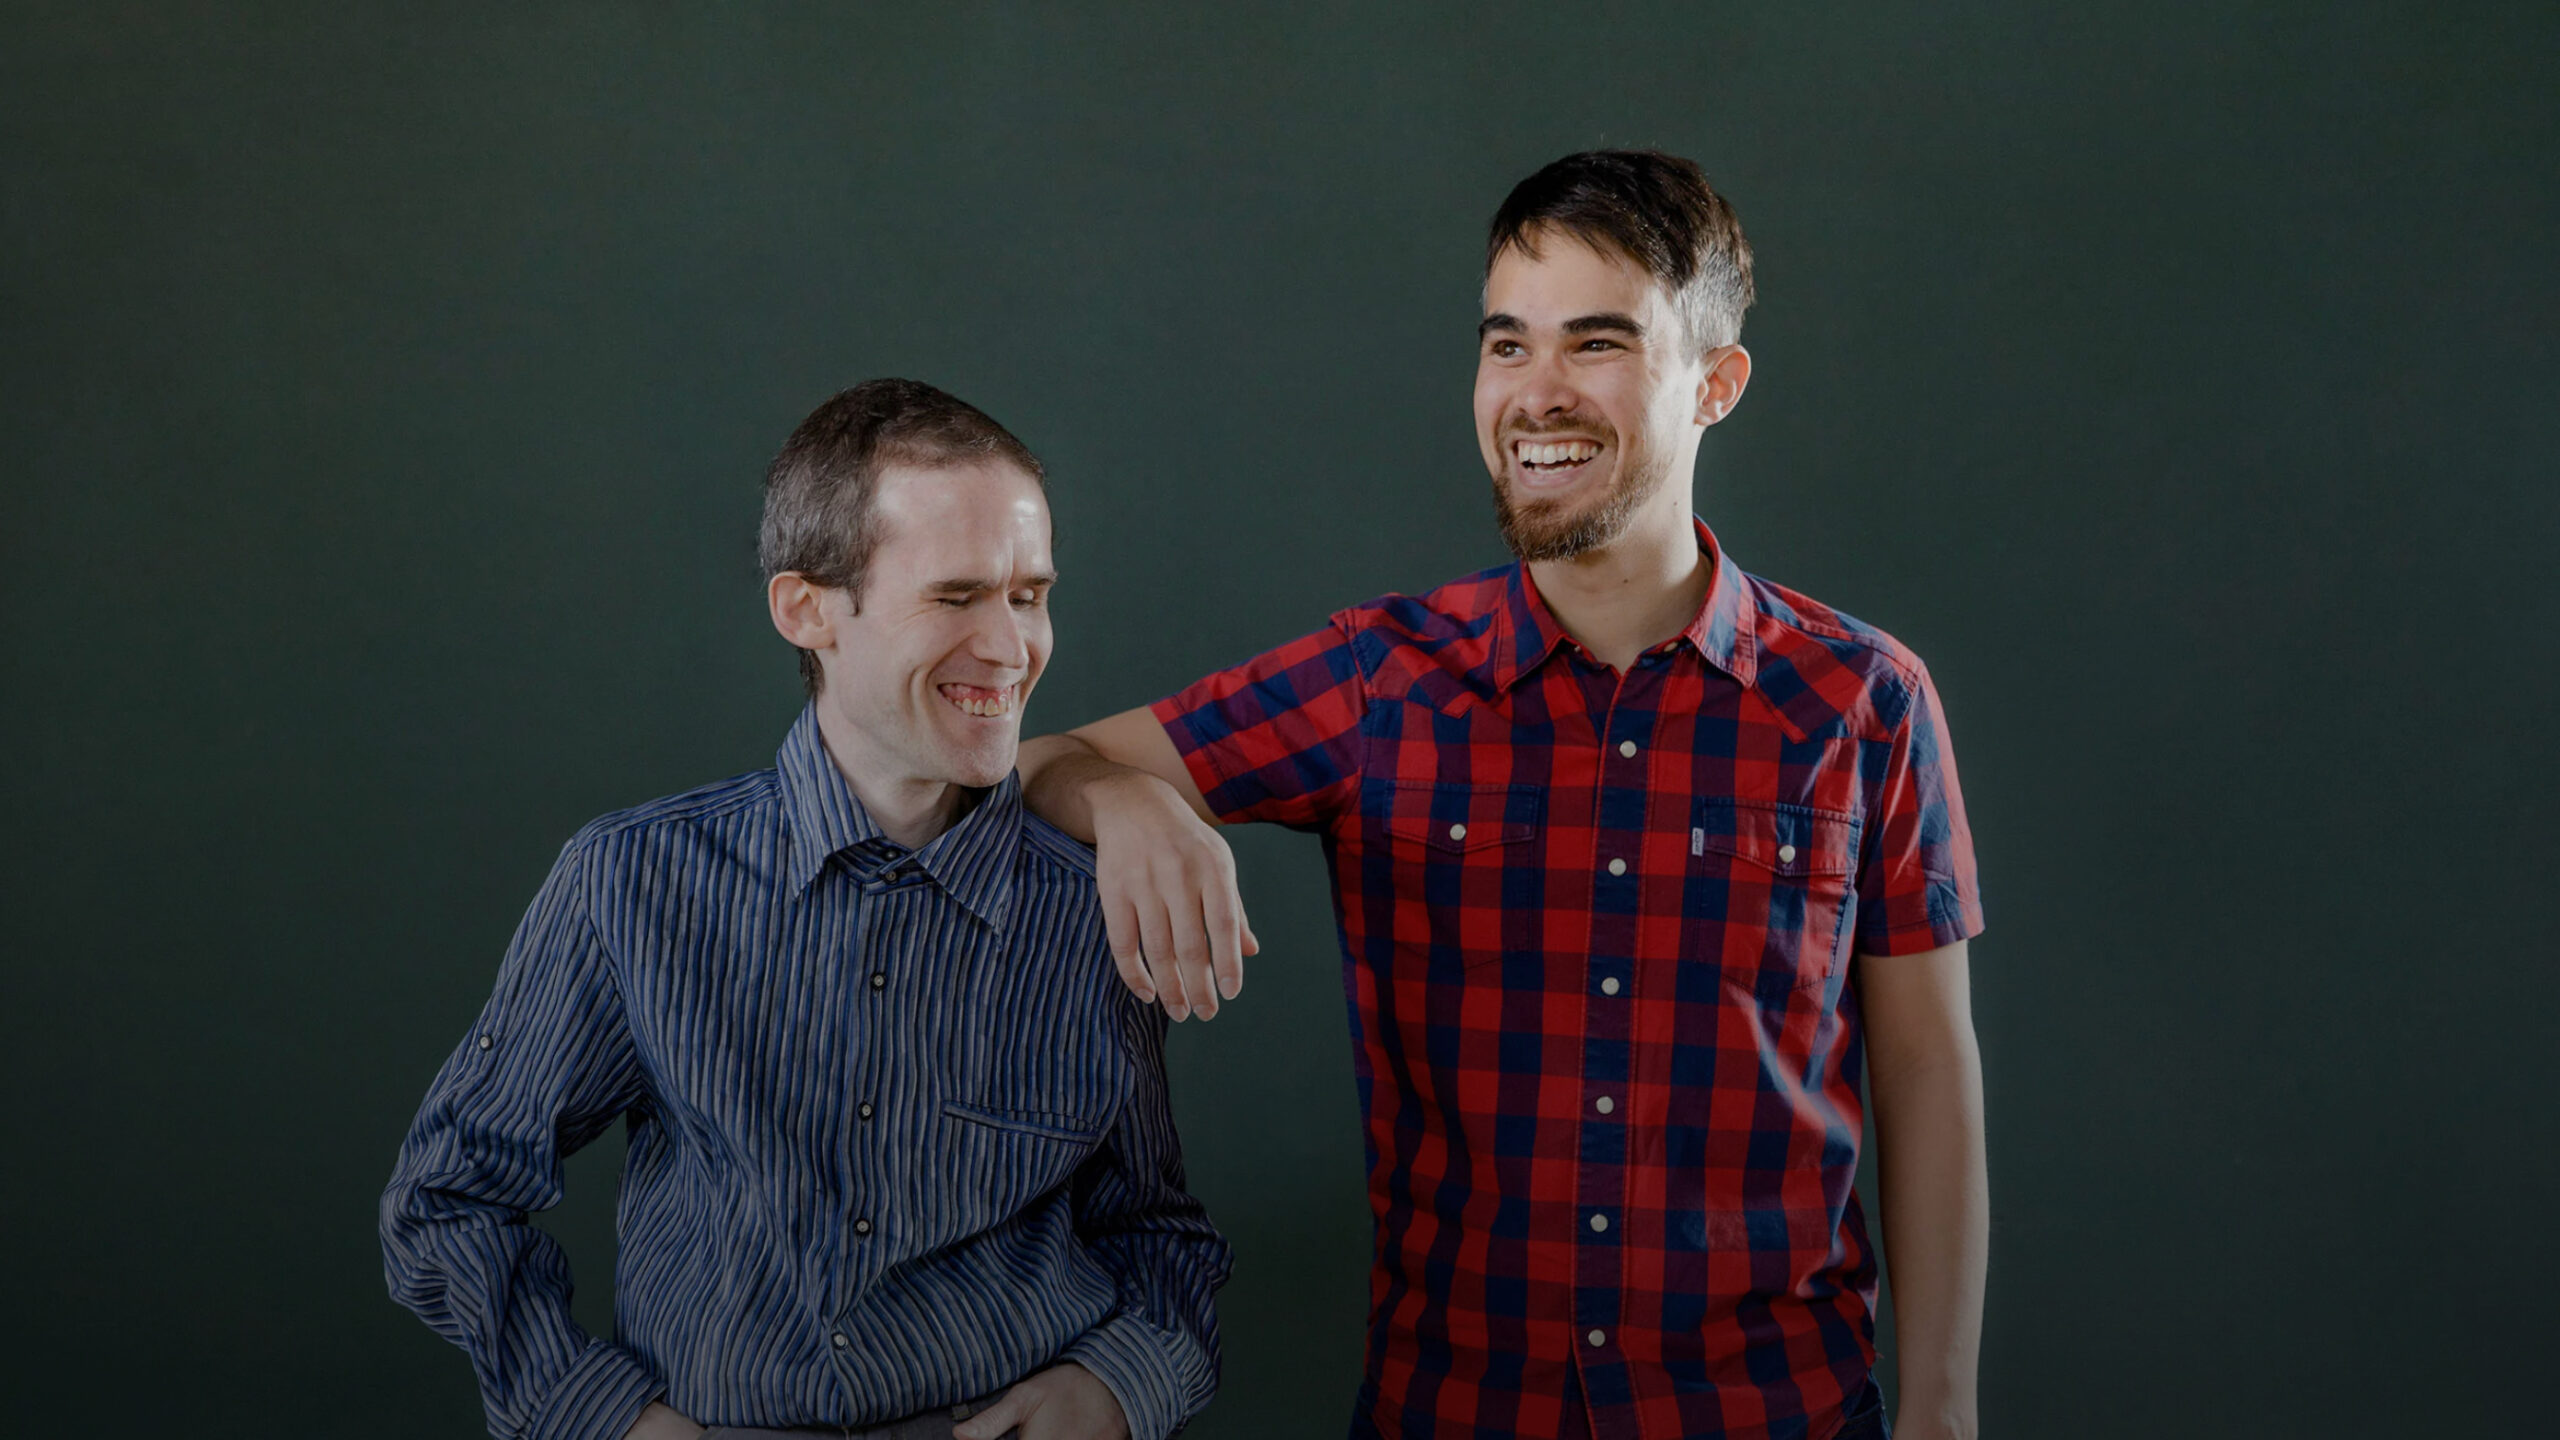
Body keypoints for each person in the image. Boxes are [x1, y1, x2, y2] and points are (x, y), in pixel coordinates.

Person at [1018, 152, 1987, 1440]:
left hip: (1777, 1411)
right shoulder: (1379, 680)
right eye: (1506, 344)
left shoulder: (1864, 701)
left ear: (1715, 384)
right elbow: (1037, 765)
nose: (1536, 395)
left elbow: (1925, 1064)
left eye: (1595, 344)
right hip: (1456, 1411)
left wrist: (1940, 1410)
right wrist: (1130, 804)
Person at [381, 379, 1231, 1440]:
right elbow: (450, 1200)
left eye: (1028, 594)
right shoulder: (632, 884)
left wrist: (1118, 1385)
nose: (1012, 650)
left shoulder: (1090, 905)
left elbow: (1158, 1231)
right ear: (807, 609)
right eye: (956, 595)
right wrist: (602, 1419)